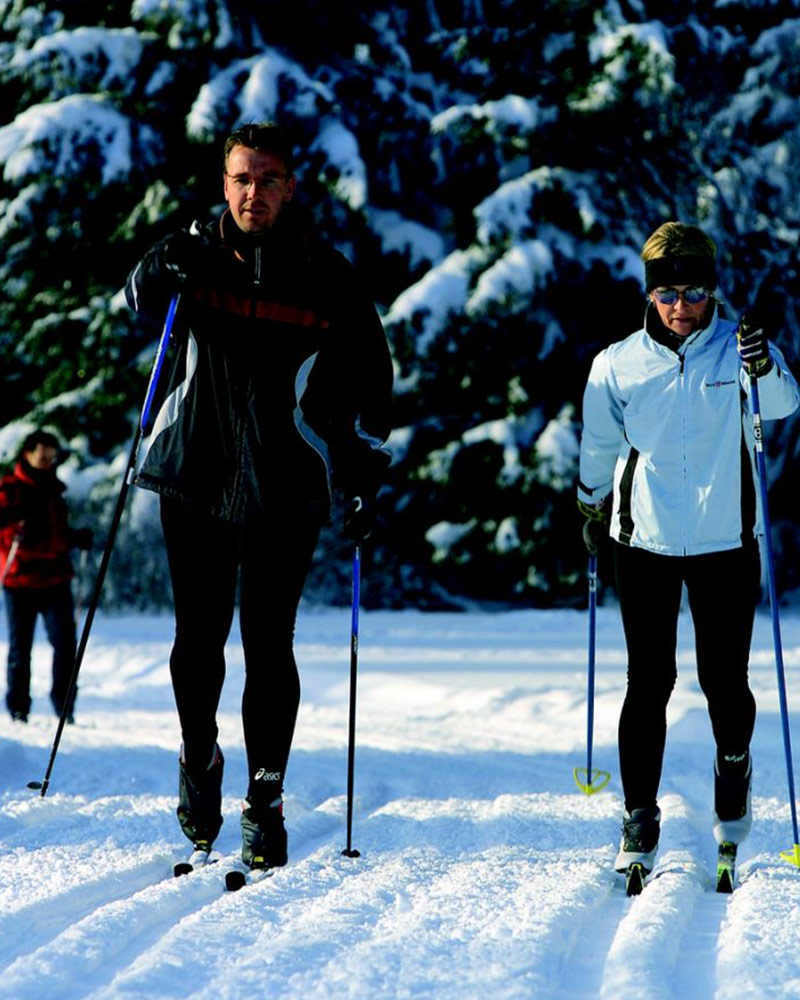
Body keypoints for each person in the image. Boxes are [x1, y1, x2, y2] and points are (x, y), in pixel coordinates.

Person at [125, 122, 393, 871]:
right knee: (197, 641)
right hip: (193, 476)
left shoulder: (326, 275)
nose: (254, 193)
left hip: (287, 484)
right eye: (242, 178)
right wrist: (158, 260)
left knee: (269, 646)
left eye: (268, 179)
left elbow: (371, 382)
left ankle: (265, 799)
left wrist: (363, 468)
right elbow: (135, 298)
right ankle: (200, 755)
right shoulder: (193, 257)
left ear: (290, 187)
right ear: (224, 183)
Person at [577, 221, 799, 883]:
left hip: (724, 541)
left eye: (695, 292)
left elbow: (784, 403)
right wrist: (591, 504)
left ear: (713, 291)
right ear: (650, 294)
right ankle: (639, 815)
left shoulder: (740, 349)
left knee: (724, 681)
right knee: (648, 682)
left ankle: (734, 767)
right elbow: (599, 443)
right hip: (643, 540)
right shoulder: (617, 363)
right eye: (669, 293)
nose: (682, 306)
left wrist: (763, 364)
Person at [0, 430, 93, 723]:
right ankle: (18, 709)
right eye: (43, 457)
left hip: (55, 579)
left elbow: (55, 533)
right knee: (20, 649)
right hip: (20, 580)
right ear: (27, 454)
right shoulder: (10, 489)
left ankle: (65, 708)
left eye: (51, 458)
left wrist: (75, 537)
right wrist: (16, 525)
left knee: (65, 645)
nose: (47, 463)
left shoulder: (53, 489)